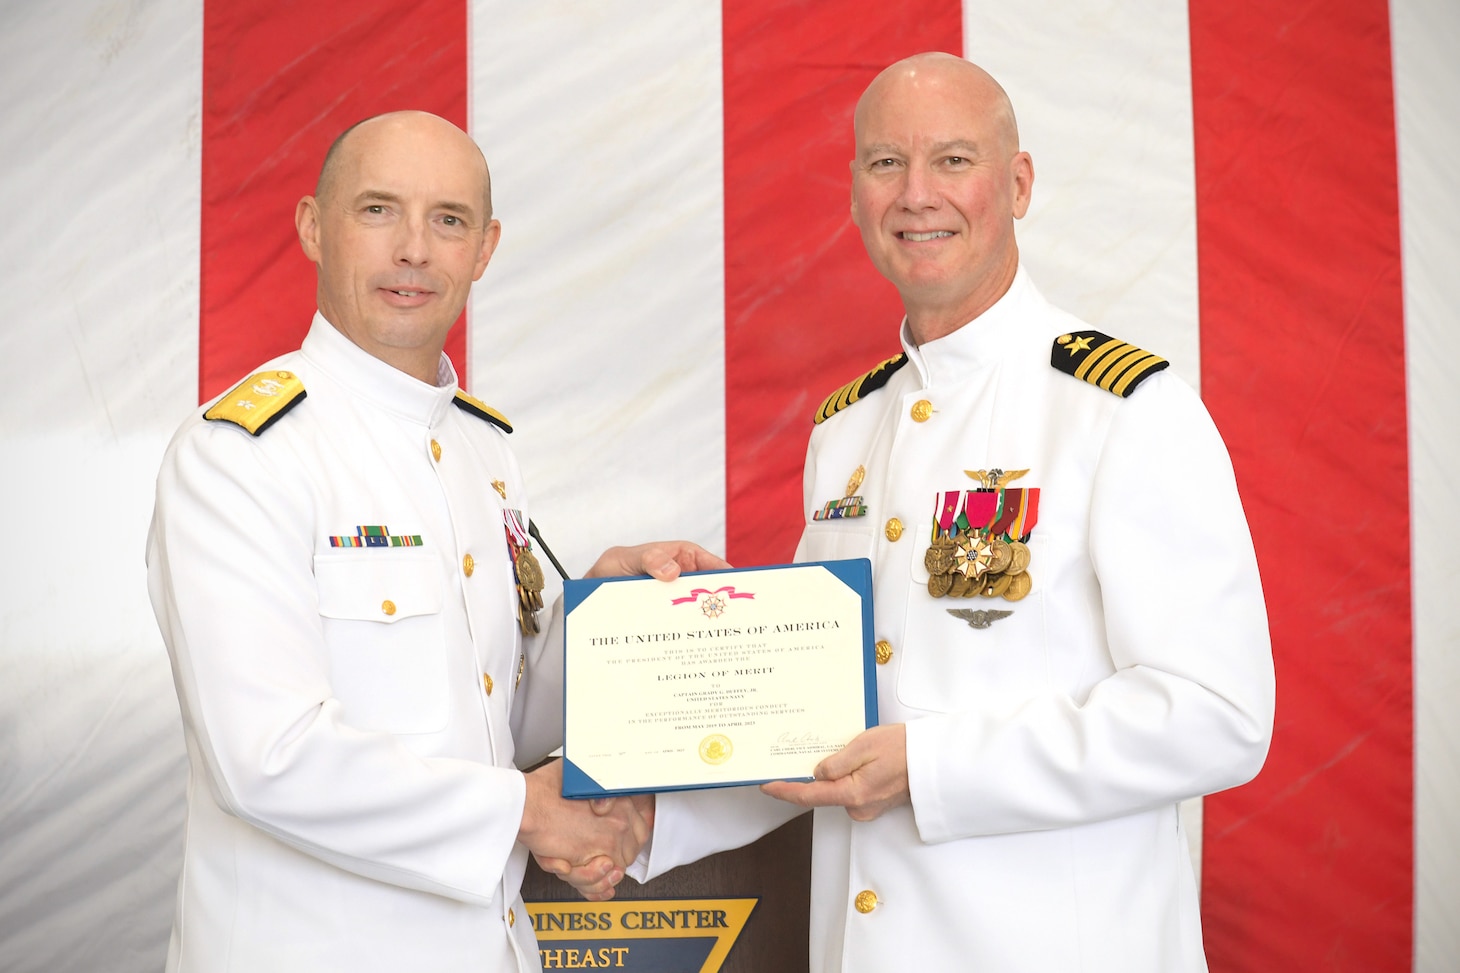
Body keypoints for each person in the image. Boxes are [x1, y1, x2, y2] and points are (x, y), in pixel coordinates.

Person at [546, 53, 1275, 972]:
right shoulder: (848, 431)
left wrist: (933, 768)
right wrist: (648, 813)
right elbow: (819, 728)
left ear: (1018, 184)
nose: (916, 193)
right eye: (886, 162)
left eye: (953, 160)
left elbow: (1216, 714)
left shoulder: (1120, 408)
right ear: (856, 193)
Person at [146, 110, 726, 973]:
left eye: (447, 220)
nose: (414, 249)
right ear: (314, 227)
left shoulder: (482, 450)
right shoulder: (241, 454)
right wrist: (528, 812)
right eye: (378, 210)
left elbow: (494, 722)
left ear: (484, 250)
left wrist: (601, 621)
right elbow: (268, 758)